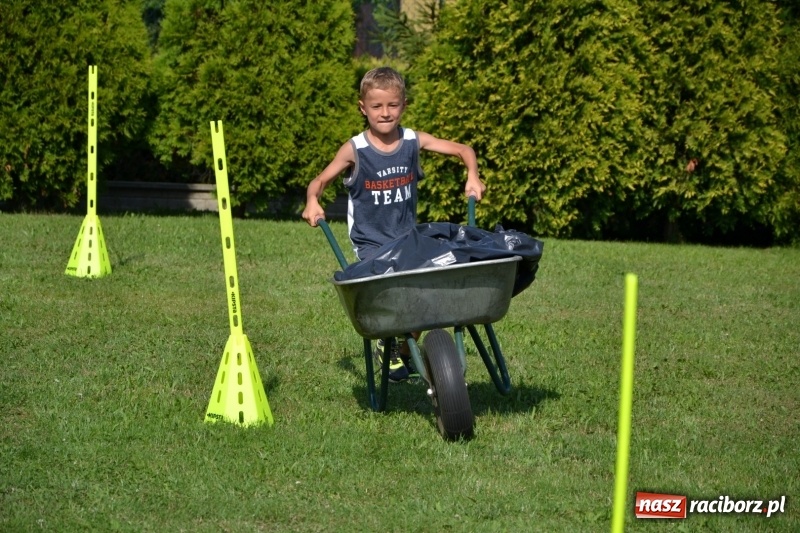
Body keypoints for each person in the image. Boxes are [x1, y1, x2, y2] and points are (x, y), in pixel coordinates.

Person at [302, 66, 486, 381]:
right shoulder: (355, 150)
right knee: (400, 297)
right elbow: (318, 181)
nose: (385, 113)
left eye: (393, 105)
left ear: (404, 105)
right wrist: (312, 201)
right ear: (363, 108)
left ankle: (399, 353)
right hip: (372, 244)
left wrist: (473, 174)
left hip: (407, 239)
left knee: (424, 293)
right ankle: (394, 350)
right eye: (376, 106)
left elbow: (463, 150)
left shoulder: (413, 141)